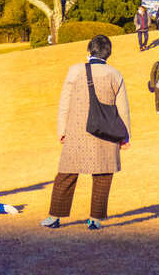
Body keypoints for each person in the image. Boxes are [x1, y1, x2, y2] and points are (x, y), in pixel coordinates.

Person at [41, 35, 131, 231]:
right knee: (103, 174)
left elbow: (65, 103)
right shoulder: (115, 74)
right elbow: (123, 109)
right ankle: (95, 219)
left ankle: (54, 216)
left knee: (66, 174)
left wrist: (62, 130)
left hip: (77, 130)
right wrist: (125, 136)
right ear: (108, 53)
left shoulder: (75, 71)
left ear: (89, 51)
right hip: (106, 132)